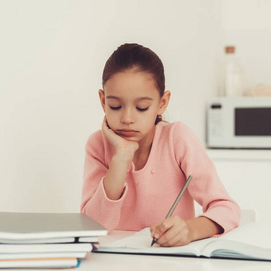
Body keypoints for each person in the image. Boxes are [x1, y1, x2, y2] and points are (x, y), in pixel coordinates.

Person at [81, 43, 240, 247]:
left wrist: (191, 229)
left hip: (170, 265)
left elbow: (226, 208)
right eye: (115, 106)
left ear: (162, 103)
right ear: (103, 101)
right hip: (112, 265)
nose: (127, 118)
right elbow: (91, 226)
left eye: (141, 107)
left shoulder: (177, 138)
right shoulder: (97, 146)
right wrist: (121, 158)